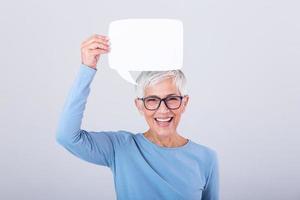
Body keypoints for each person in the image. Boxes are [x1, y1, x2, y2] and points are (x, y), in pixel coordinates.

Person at [56, 34, 219, 200]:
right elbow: (67, 136)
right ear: (139, 105)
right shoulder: (120, 148)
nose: (163, 110)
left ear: (184, 103)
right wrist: (87, 68)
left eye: (171, 99)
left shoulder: (206, 158)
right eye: (152, 100)